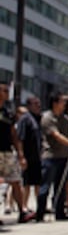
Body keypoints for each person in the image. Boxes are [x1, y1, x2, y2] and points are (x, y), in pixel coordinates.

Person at [36, 91, 68, 222]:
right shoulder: (47, 117)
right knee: (45, 186)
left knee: (61, 187)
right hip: (50, 157)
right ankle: (40, 214)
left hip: (63, 156)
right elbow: (57, 136)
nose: (65, 104)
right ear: (55, 103)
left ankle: (60, 213)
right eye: (62, 101)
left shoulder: (65, 118)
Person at [0, 82, 36, 223]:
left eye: (7, 90)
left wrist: (20, 154)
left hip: (7, 152)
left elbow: (14, 134)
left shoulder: (8, 112)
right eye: (3, 90)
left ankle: (22, 212)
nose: (6, 92)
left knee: (15, 181)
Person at [15, 95, 41, 213]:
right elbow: (20, 138)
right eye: (35, 104)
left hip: (37, 156)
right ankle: (24, 206)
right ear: (29, 105)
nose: (38, 106)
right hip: (27, 155)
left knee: (37, 182)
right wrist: (21, 156)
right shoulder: (25, 119)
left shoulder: (38, 118)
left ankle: (40, 205)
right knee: (26, 183)